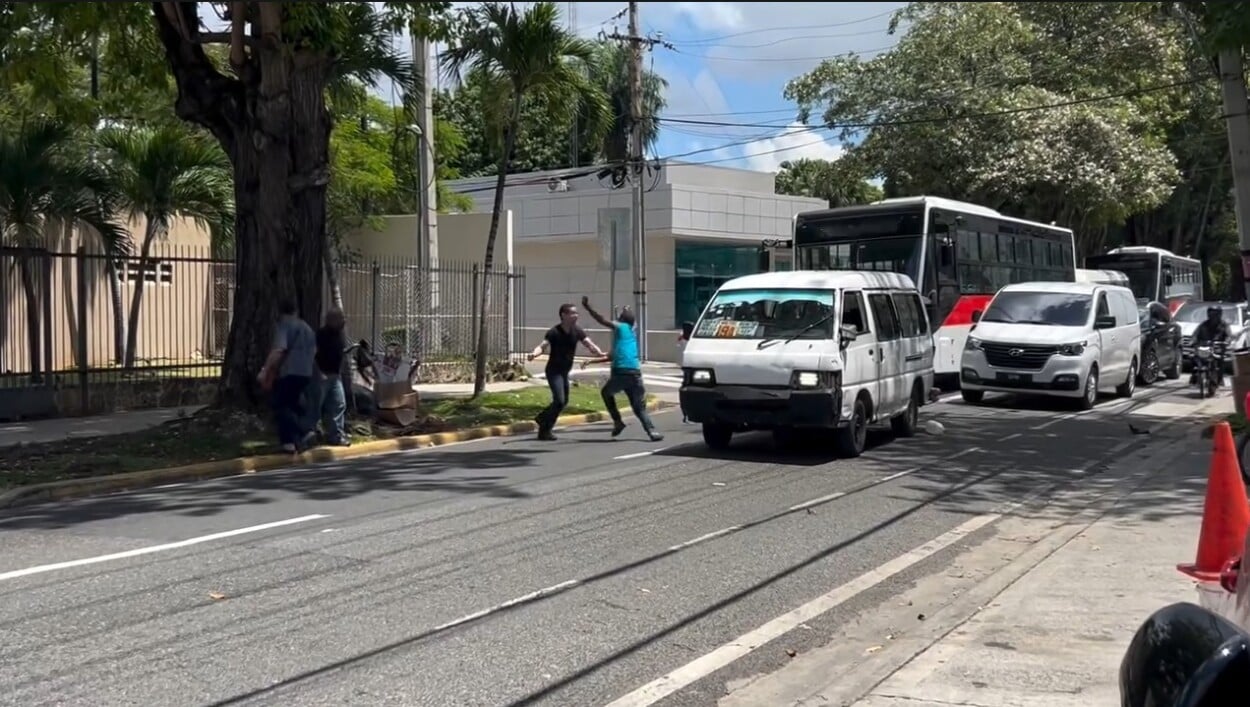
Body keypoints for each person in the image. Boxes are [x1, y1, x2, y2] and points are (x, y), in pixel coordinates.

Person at [580, 296, 663, 442]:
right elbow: (611, 357)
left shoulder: (621, 328)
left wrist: (588, 308)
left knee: (606, 393)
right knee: (639, 407)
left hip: (621, 373)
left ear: (621, 321)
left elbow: (602, 319)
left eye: (619, 318)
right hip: (635, 374)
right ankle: (652, 431)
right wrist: (591, 361)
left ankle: (618, 421)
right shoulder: (630, 334)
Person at [528, 303, 605, 440]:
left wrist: (599, 353)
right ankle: (545, 426)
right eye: (572, 313)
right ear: (563, 315)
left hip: (564, 371)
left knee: (563, 402)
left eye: (576, 313)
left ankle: (543, 423)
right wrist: (534, 354)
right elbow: (543, 346)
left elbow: (588, 343)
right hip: (553, 371)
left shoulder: (577, 331)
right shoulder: (554, 332)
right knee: (559, 400)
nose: (576, 316)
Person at [257, 299, 318, 453]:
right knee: (294, 404)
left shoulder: (284, 326)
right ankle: (303, 434)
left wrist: (265, 370)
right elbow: (315, 350)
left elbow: (279, 350)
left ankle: (291, 440)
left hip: (290, 371)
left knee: (281, 405)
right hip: (306, 372)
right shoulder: (306, 327)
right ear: (296, 310)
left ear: (280, 312)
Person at [306, 307, 351, 447]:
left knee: (339, 404)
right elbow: (311, 355)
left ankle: (335, 435)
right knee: (315, 406)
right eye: (340, 318)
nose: (344, 321)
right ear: (331, 320)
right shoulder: (320, 335)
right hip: (321, 375)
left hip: (335, 376)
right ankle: (310, 435)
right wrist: (318, 372)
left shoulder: (339, 335)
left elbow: (341, 353)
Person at [1192, 305, 1232, 387]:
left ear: (1219, 314)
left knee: (1221, 361)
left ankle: (1219, 379)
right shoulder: (1203, 325)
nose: (1213, 316)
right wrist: (1193, 341)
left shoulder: (1224, 325)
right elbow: (1195, 334)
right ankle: (1194, 377)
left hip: (1218, 349)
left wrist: (1226, 342)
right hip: (1204, 348)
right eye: (1211, 313)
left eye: (1215, 314)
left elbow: (1229, 335)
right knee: (1194, 358)